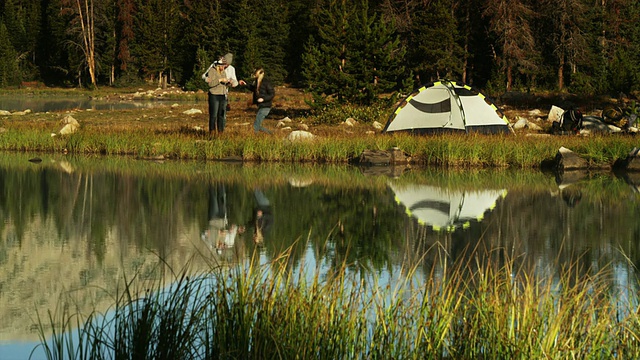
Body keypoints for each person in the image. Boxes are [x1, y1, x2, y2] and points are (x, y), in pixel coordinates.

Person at [240, 68, 275, 134]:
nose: (256, 74)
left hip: (266, 106)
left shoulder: (266, 82)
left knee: (256, 126)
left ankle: (256, 137)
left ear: (262, 73)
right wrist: (245, 84)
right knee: (257, 125)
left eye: (257, 73)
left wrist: (263, 99)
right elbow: (253, 89)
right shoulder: (256, 82)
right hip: (261, 106)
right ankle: (271, 134)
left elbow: (272, 94)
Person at [203, 58, 230, 134]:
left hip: (222, 95)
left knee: (221, 115)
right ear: (218, 65)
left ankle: (220, 132)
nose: (224, 67)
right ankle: (212, 132)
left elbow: (224, 83)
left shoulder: (223, 72)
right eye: (223, 66)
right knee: (213, 115)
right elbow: (210, 84)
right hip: (214, 95)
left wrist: (228, 82)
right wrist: (220, 80)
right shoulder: (212, 71)